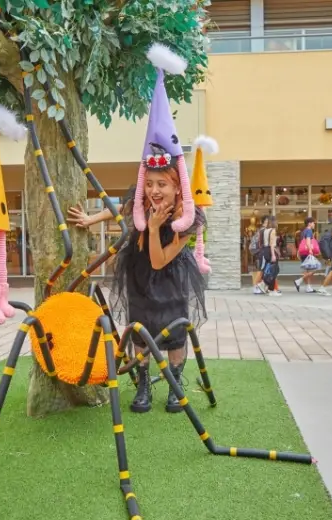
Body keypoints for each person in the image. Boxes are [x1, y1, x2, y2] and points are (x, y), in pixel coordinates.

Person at [106, 44, 208, 415]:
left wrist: (152, 228)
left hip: (167, 275)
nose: (153, 190)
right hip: (138, 275)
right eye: (149, 183)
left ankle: (175, 384)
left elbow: (162, 258)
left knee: (174, 329)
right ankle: (144, 386)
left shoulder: (188, 220)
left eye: (161, 184)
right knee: (140, 328)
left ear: (176, 185)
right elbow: (123, 211)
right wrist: (95, 220)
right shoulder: (140, 203)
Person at [294, 216, 318, 293]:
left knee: (308, 270)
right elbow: (308, 241)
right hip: (308, 252)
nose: (314, 224)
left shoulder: (304, 231)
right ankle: (299, 281)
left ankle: (308, 287)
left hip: (303, 253)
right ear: (309, 223)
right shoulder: (309, 231)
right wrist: (310, 250)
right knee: (315, 269)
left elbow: (301, 242)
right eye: (313, 222)